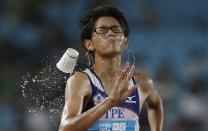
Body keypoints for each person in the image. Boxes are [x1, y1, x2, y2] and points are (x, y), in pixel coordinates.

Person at [59, 6, 163, 131]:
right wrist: (110, 102)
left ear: (125, 41)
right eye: (102, 30)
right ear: (89, 44)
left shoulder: (142, 83)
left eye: (116, 29)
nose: (111, 33)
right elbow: (65, 128)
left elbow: (155, 104)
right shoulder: (81, 81)